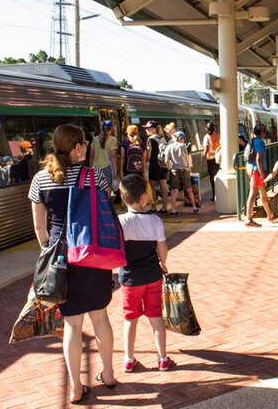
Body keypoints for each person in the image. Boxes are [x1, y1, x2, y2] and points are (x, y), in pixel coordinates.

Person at [28, 124, 115, 404]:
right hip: (93, 255)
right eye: (85, 144)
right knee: (100, 317)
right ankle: (109, 374)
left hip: (62, 261)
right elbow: (105, 215)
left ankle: (76, 387)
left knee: (72, 325)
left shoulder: (40, 180)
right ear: (77, 147)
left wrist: (52, 259)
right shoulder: (95, 177)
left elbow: (40, 229)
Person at [116, 174, 173, 373]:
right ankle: (163, 358)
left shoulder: (120, 222)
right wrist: (163, 264)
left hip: (130, 278)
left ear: (123, 198)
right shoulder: (155, 221)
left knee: (130, 318)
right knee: (156, 317)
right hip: (152, 276)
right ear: (144, 198)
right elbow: (162, 248)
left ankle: (128, 359)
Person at [244, 125, 275, 227]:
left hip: (249, 169)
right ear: (261, 132)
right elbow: (258, 159)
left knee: (262, 192)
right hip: (256, 171)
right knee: (252, 194)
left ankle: (270, 215)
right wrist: (262, 173)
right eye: (264, 131)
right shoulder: (260, 142)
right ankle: (248, 219)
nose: (265, 133)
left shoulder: (251, 141)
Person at [164, 131, 198, 215]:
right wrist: (189, 169)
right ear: (180, 138)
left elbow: (166, 160)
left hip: (174, 170)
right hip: (184, 169)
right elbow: (187, 159)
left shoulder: (169, 147)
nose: (183, 140)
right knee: (189, 189)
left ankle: (173, 209)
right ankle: (194, 207)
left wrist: (170, 168)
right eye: (182, 138)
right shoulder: (183, 146)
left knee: (174, 190)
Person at [144, 121, 169, 213]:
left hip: (154, 165)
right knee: (164, 186)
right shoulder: (162, 138)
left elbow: (148, 156)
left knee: (153, 187)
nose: (146, 130)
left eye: (148, 128)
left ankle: (154, 207)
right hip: (164, 165)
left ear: (153, 129)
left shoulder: (150, 139)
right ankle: (164, 208)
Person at [89, 120, 118, 196]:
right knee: (107, 189)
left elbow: (91, 156)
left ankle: (98, 205)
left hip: (95, 168)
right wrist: (115, 170)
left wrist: (90, 168)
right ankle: (105, 205)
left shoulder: (95, 139)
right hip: (107, 168)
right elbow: (113, 156)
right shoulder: (113, 140)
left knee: (97, 189)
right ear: (111, 128)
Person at [202, 123, 220, 202]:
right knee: (217, 176)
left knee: (212, 178)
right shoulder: (217, 135)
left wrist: (203, 159)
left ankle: (214, 195)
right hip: (217, 159)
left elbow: (205, 149)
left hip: (210, 159)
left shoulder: (206, 137)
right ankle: (219, 193)